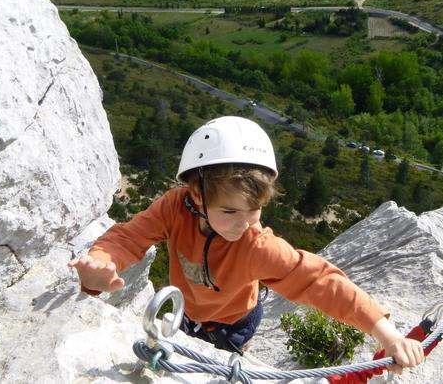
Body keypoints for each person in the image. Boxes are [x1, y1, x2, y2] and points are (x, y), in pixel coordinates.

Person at [69, 116, 424, 372]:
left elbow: (320, 281)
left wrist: (387, 335)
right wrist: (103, 260)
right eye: (229, 211)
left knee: (217, 370)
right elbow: (130, 236)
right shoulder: (175, 207)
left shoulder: (257, 246)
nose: (245, 223)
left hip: (233, 324)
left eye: (255, 209)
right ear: (195, 193)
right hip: (186, 312)